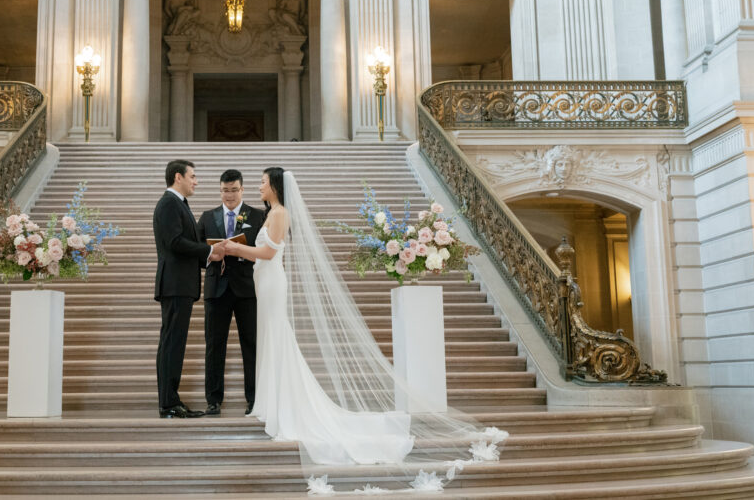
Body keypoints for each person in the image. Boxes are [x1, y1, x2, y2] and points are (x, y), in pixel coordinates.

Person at [222, 168, 506, 491]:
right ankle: (270, 403)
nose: (259, 186)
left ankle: (280, 407)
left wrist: (235, 249)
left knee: (276, 338)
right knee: (270, 339)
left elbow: (269, 252)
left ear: (275, 185)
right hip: (264, 282)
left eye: (262, 181)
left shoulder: (280, 213)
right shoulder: (271, 212)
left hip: (272, 282)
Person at [153, 160, 225, 419]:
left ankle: (170, 400)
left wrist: (209, 256)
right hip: (175, 284)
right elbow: (175, 242)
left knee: (173, 343)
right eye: (192, 176)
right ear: (178, 177)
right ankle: (169, 403)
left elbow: (183, 244)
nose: (196, 181)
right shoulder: (169, 204)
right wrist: (209, 250)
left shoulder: (177, 203)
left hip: (179, 284)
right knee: (172, 344)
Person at [196, 170, 264, 416]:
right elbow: (196, 252)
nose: (229, 195)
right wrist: (210, 255)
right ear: (220, 191)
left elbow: (265, 250)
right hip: (216, 288)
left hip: (247, 288)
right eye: (225, 190)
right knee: (214, 344)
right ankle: (213, 400)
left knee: (251, 344)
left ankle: (254, 399)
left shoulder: (258, 216)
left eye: (234, 190)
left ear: (242, 189)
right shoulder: (207, 217)